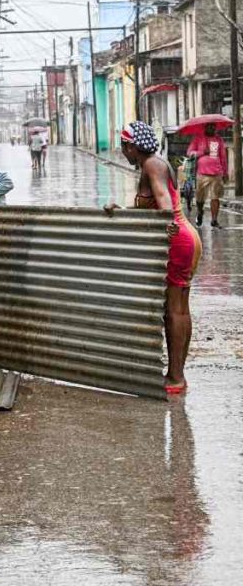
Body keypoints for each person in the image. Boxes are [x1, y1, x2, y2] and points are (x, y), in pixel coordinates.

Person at [105, 121, 201, 395]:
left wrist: (167, 223)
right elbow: (153, 208)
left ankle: (175, 377)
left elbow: (164, 205)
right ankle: (177, 374)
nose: (123, 152)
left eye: (123, 147)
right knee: (180, 308)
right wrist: (122, 211)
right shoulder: (155, 163)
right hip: (184, 237)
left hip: (178, 241)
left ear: (131, 146)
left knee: (174, 310)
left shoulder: (151, 165)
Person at [187, 123, 229, 228]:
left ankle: (214, 219)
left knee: (215, 197)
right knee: (200, 198)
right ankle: (200, 211)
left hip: (217, 173)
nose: (212, 128)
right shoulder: (198, 138)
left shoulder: (219, 140)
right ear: (205, 127)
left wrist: (225, 172)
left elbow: (223, 157)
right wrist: (201, 152)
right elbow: (189, 153)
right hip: (202, 173)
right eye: (209, 126)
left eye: (213, 126)